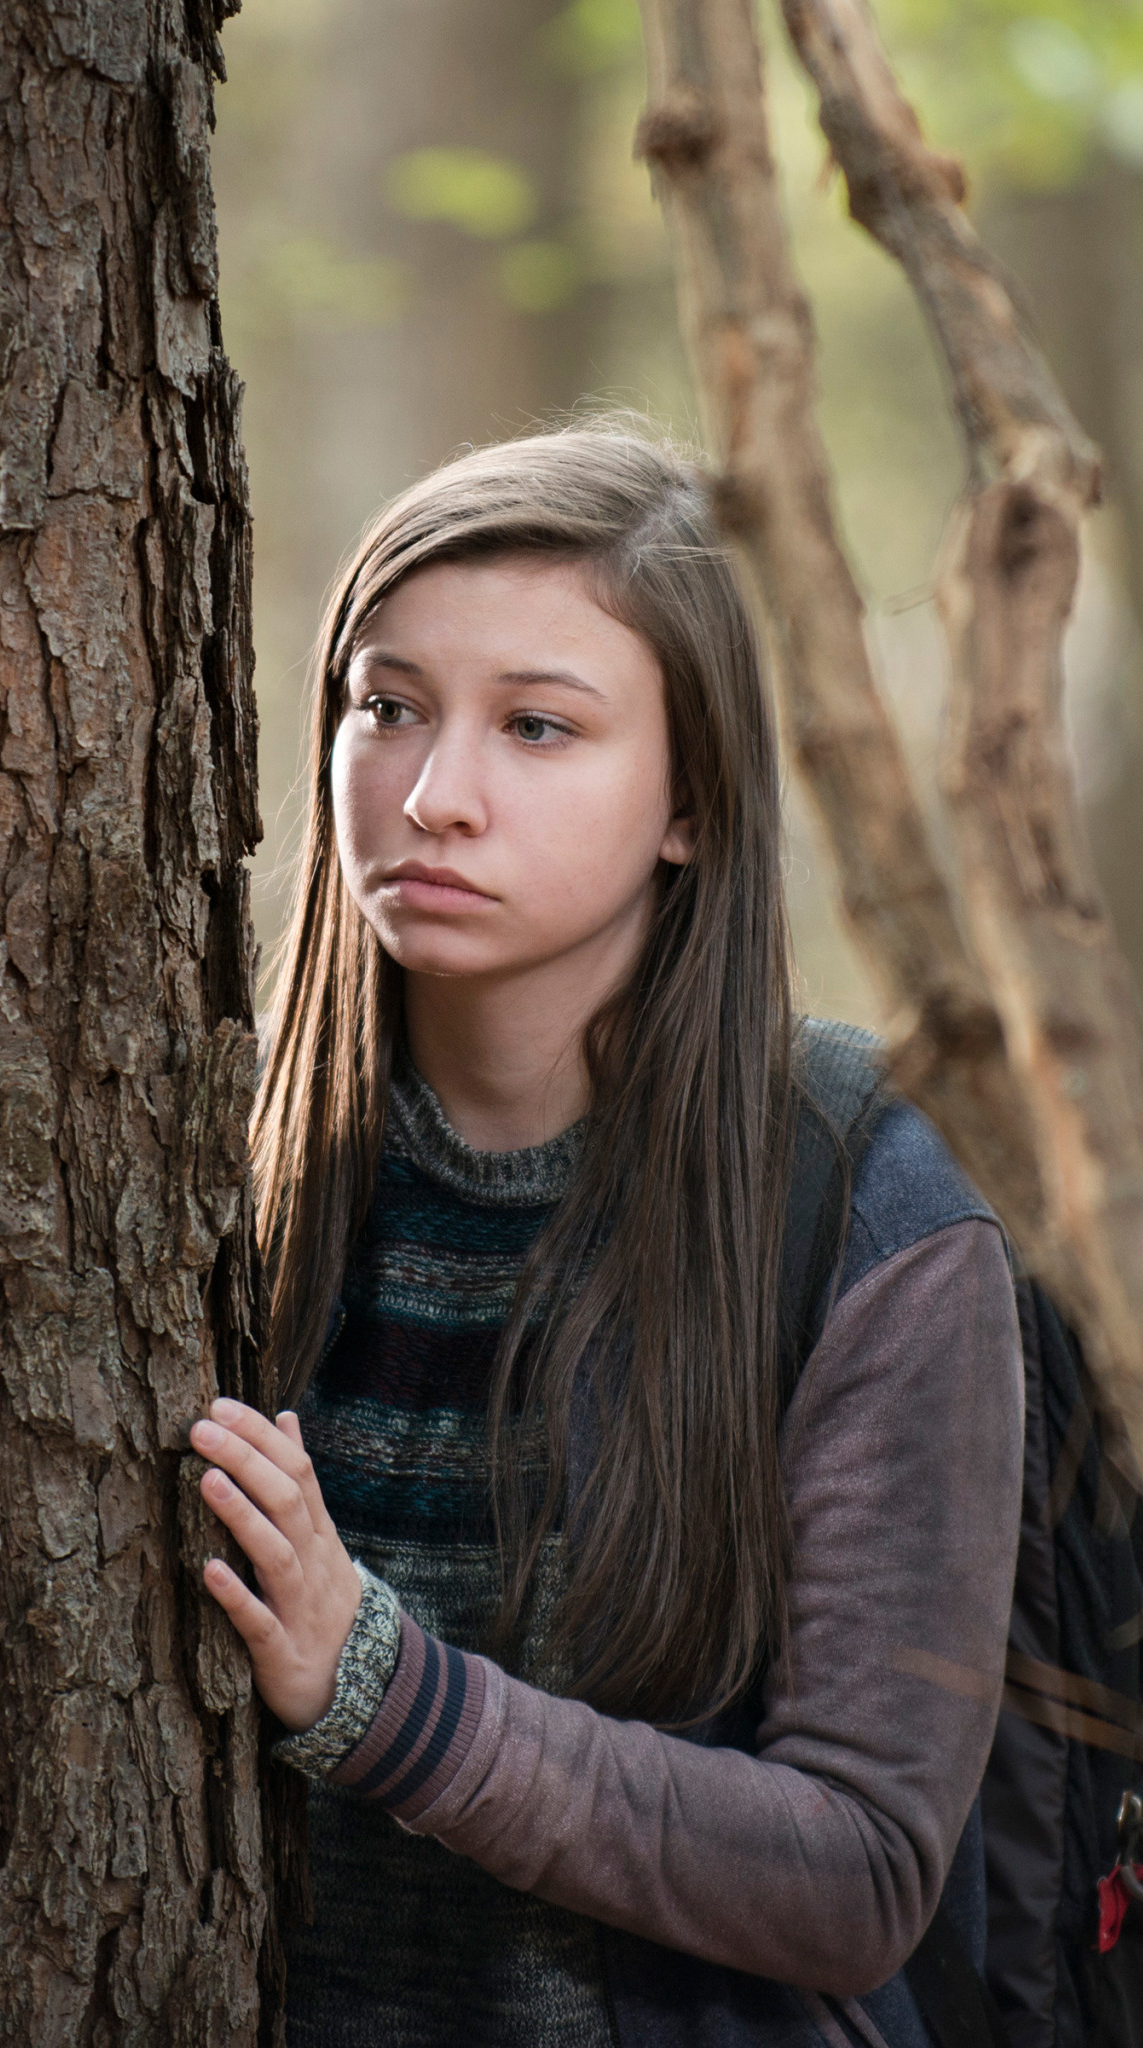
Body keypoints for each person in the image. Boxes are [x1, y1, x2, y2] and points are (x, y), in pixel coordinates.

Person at [190, 426, 1024, 2048]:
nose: (435, 797)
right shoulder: (218, 1163)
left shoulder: (867, 1205)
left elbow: (856, 1876)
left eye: (539, 727)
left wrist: (388, 1698)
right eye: (390, 706)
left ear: (693, 805)